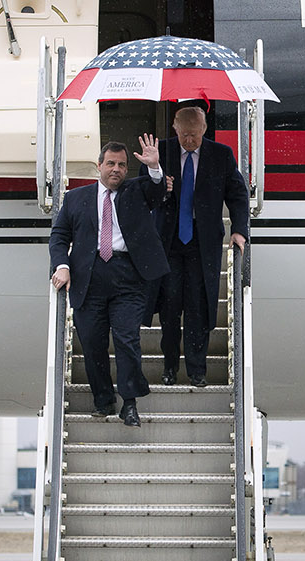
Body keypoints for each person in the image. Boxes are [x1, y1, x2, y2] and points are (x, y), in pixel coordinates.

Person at [47, 137, 167, 427]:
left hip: (128, 277)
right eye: (111, 163)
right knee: (92, 344)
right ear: (99, 166)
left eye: (122, 165)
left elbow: (157, 191)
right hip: (89, 278)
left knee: (127, 339)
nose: (116, 169)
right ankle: (103, 400)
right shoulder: (76, 198)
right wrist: (62, 265)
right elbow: (60, 235)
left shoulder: (137, 191)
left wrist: (154, 167)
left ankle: (129, 403)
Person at [155, 101, 250, 386]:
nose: (189, 140)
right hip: (170, 240)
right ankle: (169, 367)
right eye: (184, 134)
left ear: (205, 129)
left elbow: (237, 194)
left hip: (202, 240)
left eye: (195, 134)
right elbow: (144, 192)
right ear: (175, 128)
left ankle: (197, 370)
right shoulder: (162, 151)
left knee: (198, 304)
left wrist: (239, 229)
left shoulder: (221, 155)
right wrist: (160, 183)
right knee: (170, 304)